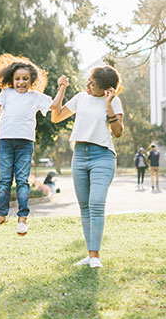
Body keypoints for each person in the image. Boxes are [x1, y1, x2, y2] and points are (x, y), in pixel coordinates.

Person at [50, 66, 124, 269]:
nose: (88, 85)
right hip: (80, 156)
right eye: (89, 81)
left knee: (96, 203)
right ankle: (91, 255)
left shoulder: (114, 101)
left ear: (106, 89)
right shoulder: (81, 97)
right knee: (85, 207)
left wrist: (108, 105)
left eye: (93, 83)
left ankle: (95, 256)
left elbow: (117, 132)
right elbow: (55, 117)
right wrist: (62, 89)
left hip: (103, 155)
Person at [0, 53, 53, 236]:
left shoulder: (35, 96)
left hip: (25, 143)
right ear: (11, 80)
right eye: (17, 79)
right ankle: (1, 216)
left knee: (22, 180)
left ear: (32, 80)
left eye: (25, 79)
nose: (21, 82)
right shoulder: (6, 93)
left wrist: (62, 87)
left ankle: (22, 219)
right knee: (5, 181)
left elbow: (54, 106)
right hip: (6, 141)